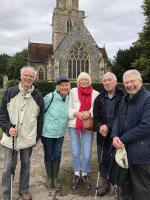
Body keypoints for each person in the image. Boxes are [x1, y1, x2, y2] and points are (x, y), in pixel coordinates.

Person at [0, 66, 44, 200]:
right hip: (10, 138)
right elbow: (2, 114)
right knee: (8, 167)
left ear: (34, 78)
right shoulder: (10, 92)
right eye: (26, 75)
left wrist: (36, 137)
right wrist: (7, 128)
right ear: (21, 76)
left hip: (28, 138)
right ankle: (6, 193)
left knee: (26, 164)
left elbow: (40, 119)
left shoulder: (38, 96)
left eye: (31, 76)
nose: (28, 78)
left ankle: (24, 190)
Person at [112, 69, 150, 200]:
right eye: (126, 82)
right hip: (125, 153)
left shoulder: (148, 99)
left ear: (140, 81)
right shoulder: (125, 98)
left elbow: (146, 126)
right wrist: (115, 135)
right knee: (125, 188)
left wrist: (122, 139)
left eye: (132, 81)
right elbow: (118, 117)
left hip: (142, 155)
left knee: (141, 191)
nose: (129, 85)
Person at [93, 72, 124, 196]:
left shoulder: (123, 97)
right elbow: (95, 118)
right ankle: (105, 185)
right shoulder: (99, 98)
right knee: (103, 161)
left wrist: (108, 126)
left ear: (115, 82)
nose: (107, 82)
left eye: (109, 80)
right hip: (103, 136)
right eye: (104, 80)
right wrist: (100, 127)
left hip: (119, 136)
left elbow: (122, 117)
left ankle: (118, 188)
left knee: (119, 162)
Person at [68, 72, 99, 189]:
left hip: (88, 125)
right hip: (74, 124)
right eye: (81, 80)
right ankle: (76, 173)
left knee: (86, 152)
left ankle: (85, 173)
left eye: (86, 79)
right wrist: (75, 113)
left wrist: (89, 113)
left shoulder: (96, 94)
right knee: (75, 151)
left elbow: (96, 108)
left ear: (89, 81)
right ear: (78, 81)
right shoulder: (73, 92)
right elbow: (68, 107)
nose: (84, 81)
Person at [41, 76, 70, 190]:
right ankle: (49, 178)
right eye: (62, 85)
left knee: (57, 154)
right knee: (49, 154)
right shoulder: (50, 97)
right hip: (47, 132)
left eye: (66, 85)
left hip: (60, 133)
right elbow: (40, 111)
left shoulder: (68, 98)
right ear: (57, 86)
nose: (64, 87)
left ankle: (55, 178)